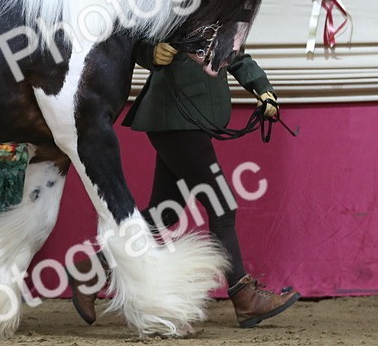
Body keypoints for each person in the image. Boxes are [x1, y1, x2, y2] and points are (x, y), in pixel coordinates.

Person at [70, 41, 300, 328]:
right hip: (176, 117)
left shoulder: (218, 16)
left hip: (187, 120)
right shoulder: (175, 10)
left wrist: (262, 88)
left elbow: (232, 51)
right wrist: (151, 53)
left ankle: (90, 270)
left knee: (164, 214)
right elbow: (137, 38)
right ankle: (244, 298)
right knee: (222, 206)